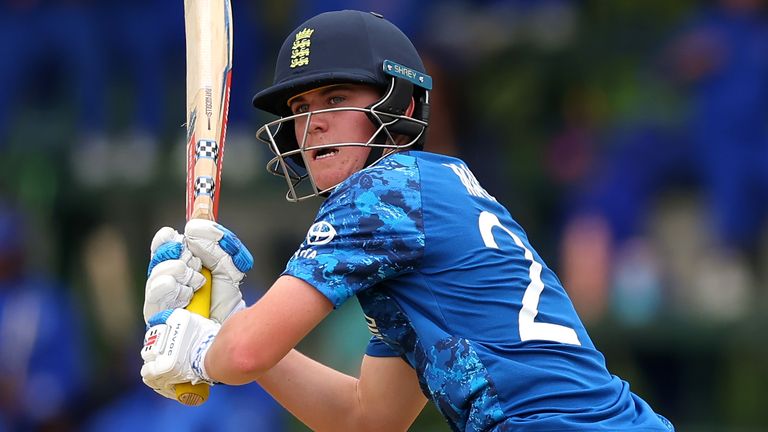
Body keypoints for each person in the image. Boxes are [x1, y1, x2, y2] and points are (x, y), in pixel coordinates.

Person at [138, 10, 675, 431]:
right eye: (299, 106)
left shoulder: (382, 193)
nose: (312, 122)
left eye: (337, 96)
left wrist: (195, 348)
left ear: (402, 104)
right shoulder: (427, 191)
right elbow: (367, 420)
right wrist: (231, 324)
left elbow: (247, 351)